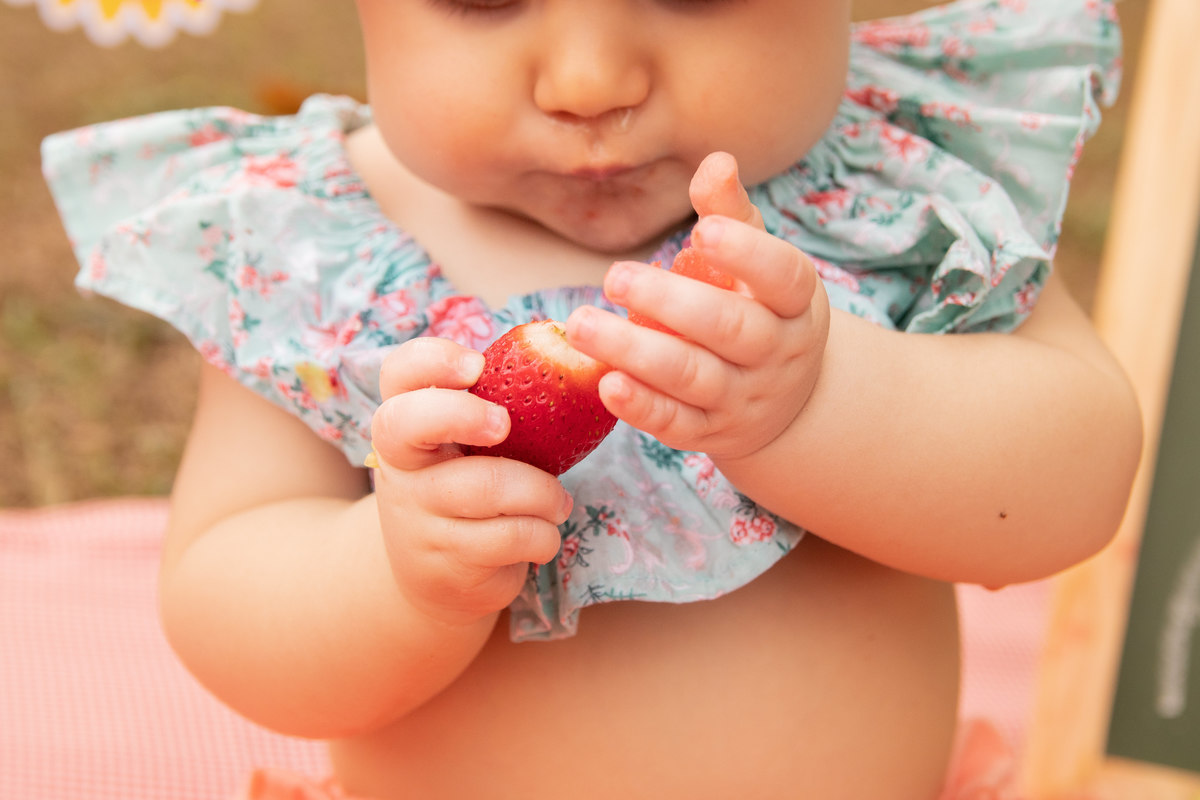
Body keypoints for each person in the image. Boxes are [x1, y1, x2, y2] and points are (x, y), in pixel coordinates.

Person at [42, 0, 1141, 797]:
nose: (588, 80)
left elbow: (1076, 482)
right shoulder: (310, 254)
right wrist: (395, 575)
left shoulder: (900, 196)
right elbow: (230, 602)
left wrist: (828, 403)